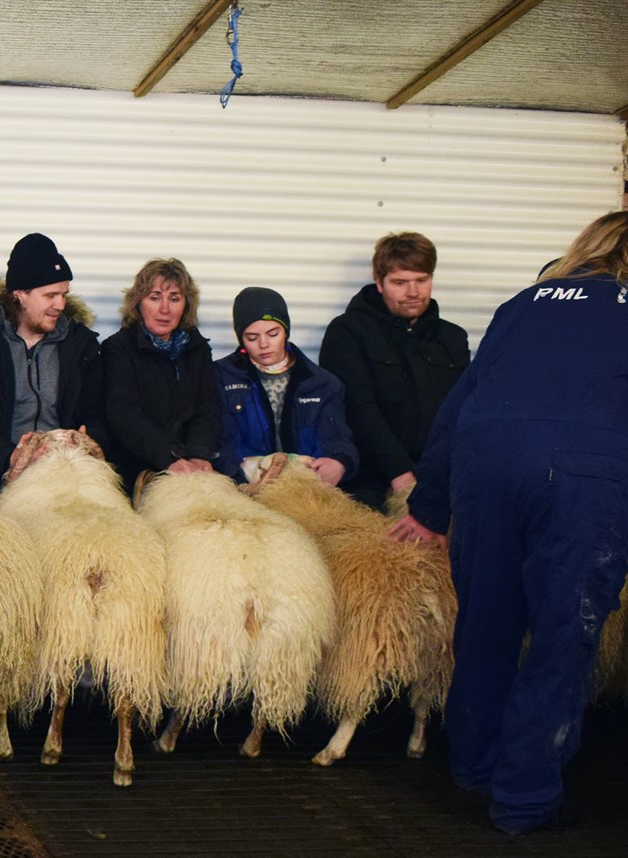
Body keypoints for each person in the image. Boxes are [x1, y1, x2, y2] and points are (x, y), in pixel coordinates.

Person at [394, 211, 628, 835]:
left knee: (487, 621)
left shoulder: (523, 304)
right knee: (561, 635)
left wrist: (430, 506)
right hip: (581, 475)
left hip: (486, 465)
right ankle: (523, 800)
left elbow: (460, 405)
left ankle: (472, 768)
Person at [320, 232, 471, 509]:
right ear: (379, 283)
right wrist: (400, 474)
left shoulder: (452, 338)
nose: (413, 292)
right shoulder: (347, 332)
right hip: (369, 481)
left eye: (422, 280)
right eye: (400, 282)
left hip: (438, 477)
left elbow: (459, 411)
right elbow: (357, 409)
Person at [0, 232, 104, 498]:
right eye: (50, 295)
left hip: (68, 474)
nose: (60, 305)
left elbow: (98, 413)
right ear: (20, 294)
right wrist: (12, 457)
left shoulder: (80, 344)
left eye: (64, 294)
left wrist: (88, 437)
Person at [213, 287, 356, 485]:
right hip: (243, 487)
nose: (264, 344)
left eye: (273, 334)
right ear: (241, 338)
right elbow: (222, 442)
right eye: (252, 337)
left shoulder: (322, 383)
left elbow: (336, 438)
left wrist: (339, 462)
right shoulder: (220, 377)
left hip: (304, 487)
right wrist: (239, 482)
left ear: (285, 331)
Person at [99, 258, 221, 489]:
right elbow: (124, 415)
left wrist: (199, 455)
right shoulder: (118, 348)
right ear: (139, 303)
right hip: (138, 468)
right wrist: (170, 459)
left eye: (174, 298)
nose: (165, 309)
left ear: (186, 304)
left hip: (190, 464)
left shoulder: (197, 348)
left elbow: (207, 409)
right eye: (155, 298)